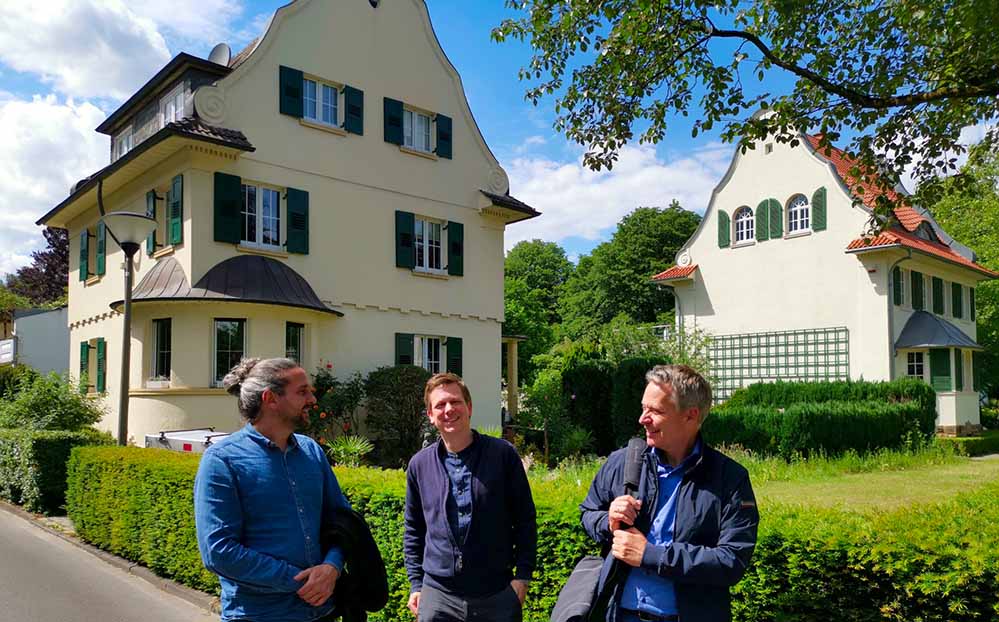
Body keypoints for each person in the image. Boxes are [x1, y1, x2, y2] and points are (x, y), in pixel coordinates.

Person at [580, 365, 759, 622]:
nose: (643, 418)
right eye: (643, 408)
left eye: (656, 411)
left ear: (691, 415)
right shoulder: (623, 462)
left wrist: (651, 555)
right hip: (620, 616)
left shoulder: (730, 478)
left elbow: (732, 561)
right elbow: (587, 512)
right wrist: (608, 520)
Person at [195, 357, 352, 622]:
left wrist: (332, 568)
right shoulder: (222, 460)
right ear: (271, 399)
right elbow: (218, 551)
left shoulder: (312, 451)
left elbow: (343, 522)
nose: (313, 400)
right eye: (302, 391)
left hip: (322, 612)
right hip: (259, 615)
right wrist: (300, 582)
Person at [404, 372, 537, 622]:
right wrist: (416, 584)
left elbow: (525, 519)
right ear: (431, 416)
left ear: (469, 407)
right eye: (440, 405)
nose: (448, 409)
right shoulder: (419, 465)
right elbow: (414, 529)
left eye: (455, 401)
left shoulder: (502, 456)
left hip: (496, 595)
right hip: (439, 597)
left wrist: (523, 577)